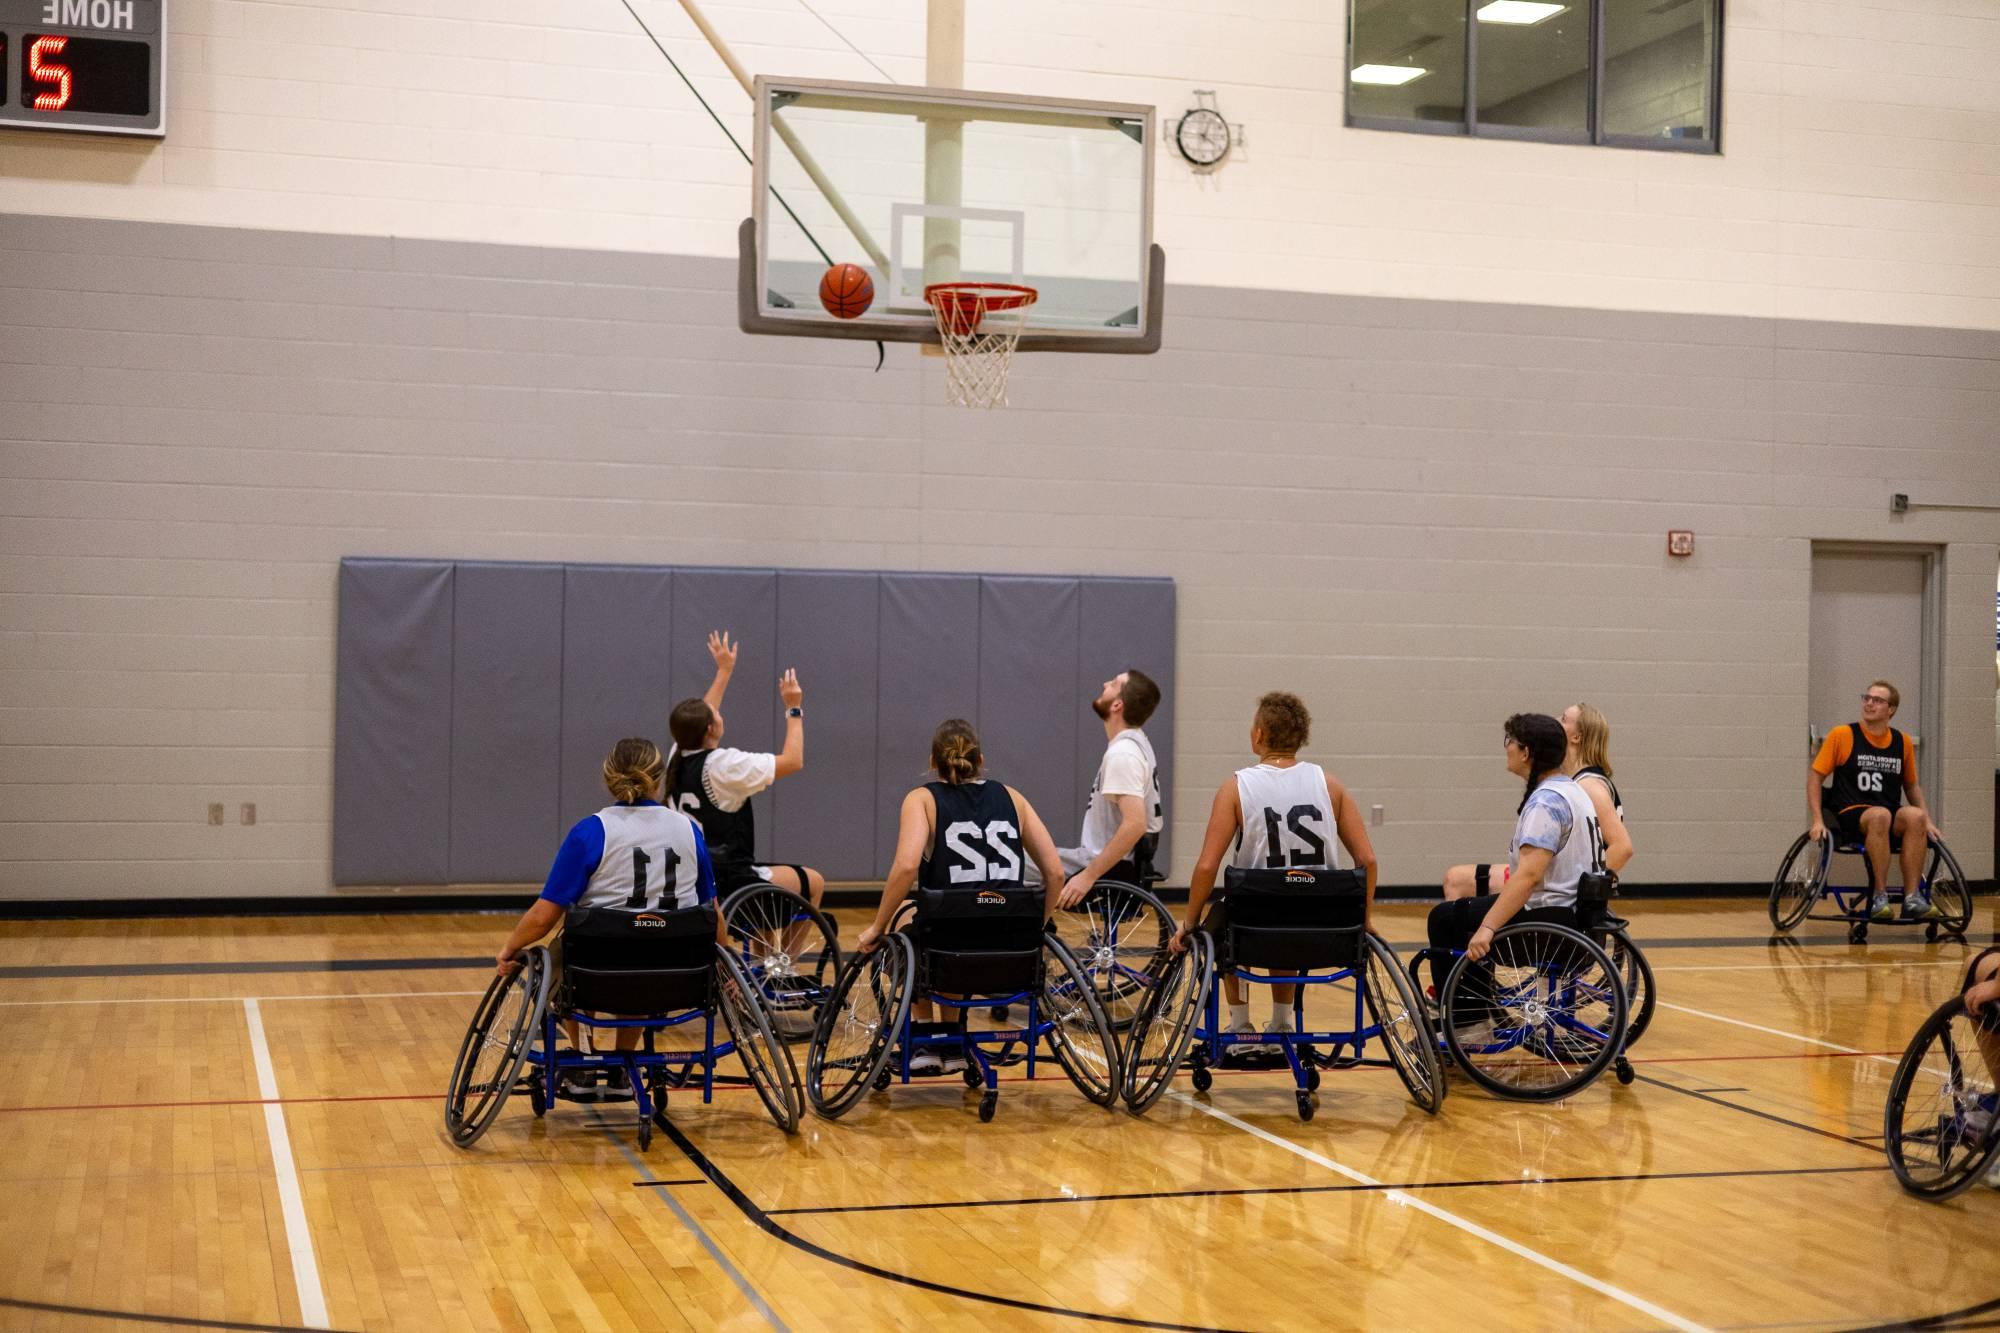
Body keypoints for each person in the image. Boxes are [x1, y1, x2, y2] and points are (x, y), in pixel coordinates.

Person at [493, 737, 720, 1091]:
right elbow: (713, 913)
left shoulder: (591, 832)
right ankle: (621, 1069)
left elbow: (543, 917)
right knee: (646, 949)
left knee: (564, 956)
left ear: (609, 777)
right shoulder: (689, 831)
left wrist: (511, 947)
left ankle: (584, 1056)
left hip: (597, 973)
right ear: (659, 779)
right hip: (675, 974)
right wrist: (728, 964)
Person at [854, 718, 1066, 1075]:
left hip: (948, 948)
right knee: (959, 920)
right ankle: (951, 1041)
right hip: (1010, 950)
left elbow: (906, 867)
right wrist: (1036, 928)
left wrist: (876, 926)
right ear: (980, 759)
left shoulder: (922, 799)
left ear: (933, 761)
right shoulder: (1013, 798)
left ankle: (925, 1039)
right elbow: (1056, 873)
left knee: (908, 921)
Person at [1168, 691, 1378, 1036]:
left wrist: (1189, 922)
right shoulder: (1331, 785)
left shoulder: (1236, 787)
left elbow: (1207, 866)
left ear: (1259, 735)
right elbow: (1367, 859)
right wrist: (1364, 918)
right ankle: (1282, 1021)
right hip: (1324, 926)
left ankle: (1240, 1023)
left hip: (1256, 926)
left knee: (1226, 916)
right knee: (1289, 912)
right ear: (1301, 737)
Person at [1426, 713, 1598, 1033]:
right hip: (1573, 916)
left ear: (1526, 752)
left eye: (1511, 743)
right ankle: (1473, 1013)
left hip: (1548, 922)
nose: (1507, 749)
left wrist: (1488, 928)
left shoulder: (1547, 802)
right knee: (1467, 908)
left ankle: (1468, 1022)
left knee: (1444, 919)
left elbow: (1528, 877)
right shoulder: (1574, 791)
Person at [665, 631, 824, 909]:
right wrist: (793, 709)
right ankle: (786, 954)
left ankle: (767, 948)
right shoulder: (723, 766)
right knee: (814, 881)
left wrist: (724, 670)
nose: (717, 712)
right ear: (711, 729)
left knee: (770, 891)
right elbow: (793, 760)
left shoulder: (675, 755)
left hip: (687, 874)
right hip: (728, 879)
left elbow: (704, 712)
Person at [1440, 702, 1633, 905]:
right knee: (1459, 877)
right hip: (1555, 875)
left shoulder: (1589, 786)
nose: (1556, 719)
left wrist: (1586, 892)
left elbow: (1622, 847)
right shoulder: (1573, 780)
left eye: (1564, 718)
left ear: (1577, 737)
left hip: (1558, 888)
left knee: (1457, 880)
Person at [1806, 679, 1940, 921]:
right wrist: (1817, 820)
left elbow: (1911, 785)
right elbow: (1815, 778)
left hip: (1888, 813)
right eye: (1866, 698)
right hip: (1851, 813)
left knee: (1915, 816)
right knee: (1880, 815)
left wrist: (1927, 820)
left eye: (1877, 700)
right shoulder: (1843, 735)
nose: (1869, 703)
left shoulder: (1902, 742)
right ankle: (1879, 895)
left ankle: (1912, 897)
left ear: (1891, 709)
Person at [1051, 669, 1166, 908]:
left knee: (1012, 864)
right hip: (1121, 863)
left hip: (1103, 865)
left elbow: (1135, 824)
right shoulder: (1138, 741)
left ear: (1117, 705)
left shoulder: (1123, 754)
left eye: (1113, 684)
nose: (1105, 683)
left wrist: (1088, 876)